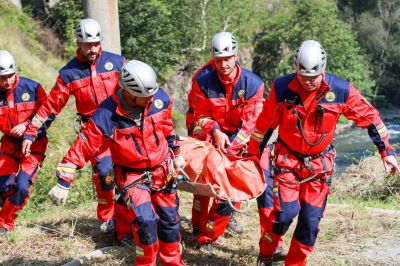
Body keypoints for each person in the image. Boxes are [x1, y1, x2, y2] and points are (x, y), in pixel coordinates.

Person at [248, 39, 400, 265]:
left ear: (324, 70)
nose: (308, 82)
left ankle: (295, 263)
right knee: (283, 216)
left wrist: (386, 151)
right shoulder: (282, 89)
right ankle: (266, 251)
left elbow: (371, 118)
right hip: (287, 162)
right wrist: (251, 158)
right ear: (295, 69)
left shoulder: (341, 90)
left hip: (319, 166)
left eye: (314, 77)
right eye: (303, 77)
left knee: (310, 223)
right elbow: (263, 127)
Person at [34, 60, 185, 265]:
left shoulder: (159, 99)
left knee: (170, 221)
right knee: (145, 222)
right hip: (133, 176)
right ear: (130, 93)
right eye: (145, 96)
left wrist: (176, 153)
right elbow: (84, 146)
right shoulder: (107, 114)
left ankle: (172, 263)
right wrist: (64, 181)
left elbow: (167, 128)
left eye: (152, 93)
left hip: (163, 170)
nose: (151, 98)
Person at [22, 18, 125, 232]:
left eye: (96, 44)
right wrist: (31, 133)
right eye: (88, 45)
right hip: (94, 134)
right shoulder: (69, 73)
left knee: (130, 173)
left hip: (122, 128)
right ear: (79, 43)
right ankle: (109, 220)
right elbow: (50, 107)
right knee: (105, 175)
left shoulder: (117, 62)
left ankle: (132, 218)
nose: (93, 49)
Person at [190, 31, 265, 253]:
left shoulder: (253, 84)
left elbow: (250, 125)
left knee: (231, 186)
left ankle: (208, 237)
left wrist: (230, 153)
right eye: (219, 60)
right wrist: (213, 130)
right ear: (213, 59)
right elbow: (199, 114)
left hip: (239, 137)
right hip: (211, 133)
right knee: (202, 184)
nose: (223, 64)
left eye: (228, 59)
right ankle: (197, 225)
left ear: (236, 56)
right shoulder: (202, 81)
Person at [0, 50, 53, 239]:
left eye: (9, 76)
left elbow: (49, 113)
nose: (6, 81)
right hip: (9, 145)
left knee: (22, 186)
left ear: (15, 72)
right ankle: (6, 206)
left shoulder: (33, 88)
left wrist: (28, 126)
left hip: (35, 145)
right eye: (2, 78)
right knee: (3, 185)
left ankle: (5, 224)